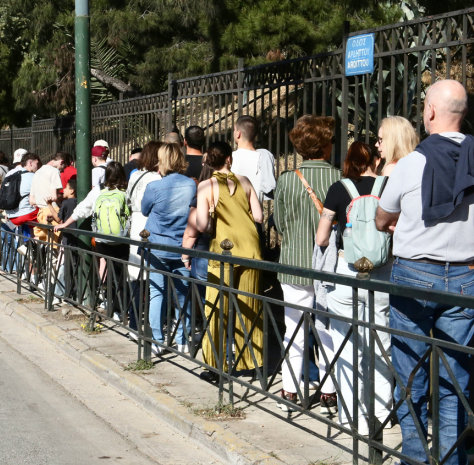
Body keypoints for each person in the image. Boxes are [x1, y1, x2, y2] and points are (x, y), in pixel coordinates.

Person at [375, 79, 474, 465]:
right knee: (455, 376)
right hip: (465, 276)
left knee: (409, 372)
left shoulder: (410, 164)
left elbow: (380, 218)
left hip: (414, 273)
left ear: (429, 112)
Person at [317, 141, 393, 425]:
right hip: (383, 272)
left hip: (346, 273)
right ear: (375, 160)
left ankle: (352, 415)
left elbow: (321, 238)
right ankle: (383, 412)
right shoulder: (387, 187)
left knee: (346, 344)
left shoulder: (339, 189)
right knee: (381, 343)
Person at [273, 115, 340, 412]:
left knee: (293, 326)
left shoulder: (287, 179)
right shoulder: (339, 177)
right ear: (326, 145)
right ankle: (329, 390)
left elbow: (280, 222)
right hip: (328, 266)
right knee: (327, 327)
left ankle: (290, 390)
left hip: (294, 262)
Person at [191, 141, 264, 378]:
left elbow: (201, 225)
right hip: (250, 247)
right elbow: (260, 217)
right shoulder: (245, 180)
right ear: (228, 159)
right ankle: (252, 362)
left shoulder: (205, 186)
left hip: (224, 250)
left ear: (209, 161)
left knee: (217, 307)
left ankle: (215, 365)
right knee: (250, 305)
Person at [141, 143, 197, 355]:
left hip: (156, 246)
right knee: (183, 294)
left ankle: (157, 340)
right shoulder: (192, 185)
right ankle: (183, 339)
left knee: (157, 294)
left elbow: (145, 210)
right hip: (183, 247)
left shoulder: (155, 187)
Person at [125, 142, 163, 326]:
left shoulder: (135, 175)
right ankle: (151, 322)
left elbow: (128, 199)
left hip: (136, 224)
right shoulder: (157, 178)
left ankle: (134, 321)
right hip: (150, 223)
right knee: (152, 275)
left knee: (136, 273)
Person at [92, 162, 132, 318]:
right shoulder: (126, 191)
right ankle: (122, 308)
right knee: (122, 273)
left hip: (103, 240)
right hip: (121, 239)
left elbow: (86, 209)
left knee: (109, 272)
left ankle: (110, 305)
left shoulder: (100, 190)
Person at [232, 115, 277, 201]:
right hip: (256, 212)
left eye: (234, 130)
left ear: (238, 133)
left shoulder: (230, 158)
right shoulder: (264, 157)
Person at [30, 152, 68, 242]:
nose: (63, 170)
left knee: (46, 241)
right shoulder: (54, 171)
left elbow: (31, 200)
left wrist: (42, 199)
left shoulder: (37, 173)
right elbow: (54, 197)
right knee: (55, 243)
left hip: (41, 212)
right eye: (64, 167)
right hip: (52, 211)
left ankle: (30, 246)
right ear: (61, 162)